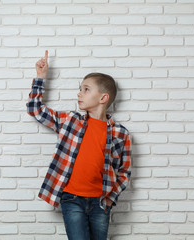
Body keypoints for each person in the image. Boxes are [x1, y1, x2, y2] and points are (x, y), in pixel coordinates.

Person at [26, 50, 131, 240]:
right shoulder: (70, 121)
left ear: (103, 98)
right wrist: (41, 77)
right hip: (71, 199)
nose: (79, 93)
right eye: (80, 89)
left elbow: (124, 172)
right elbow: (36, 110)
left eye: (86, 89)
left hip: (101, 202)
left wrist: (110, 198)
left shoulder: (120, 133)